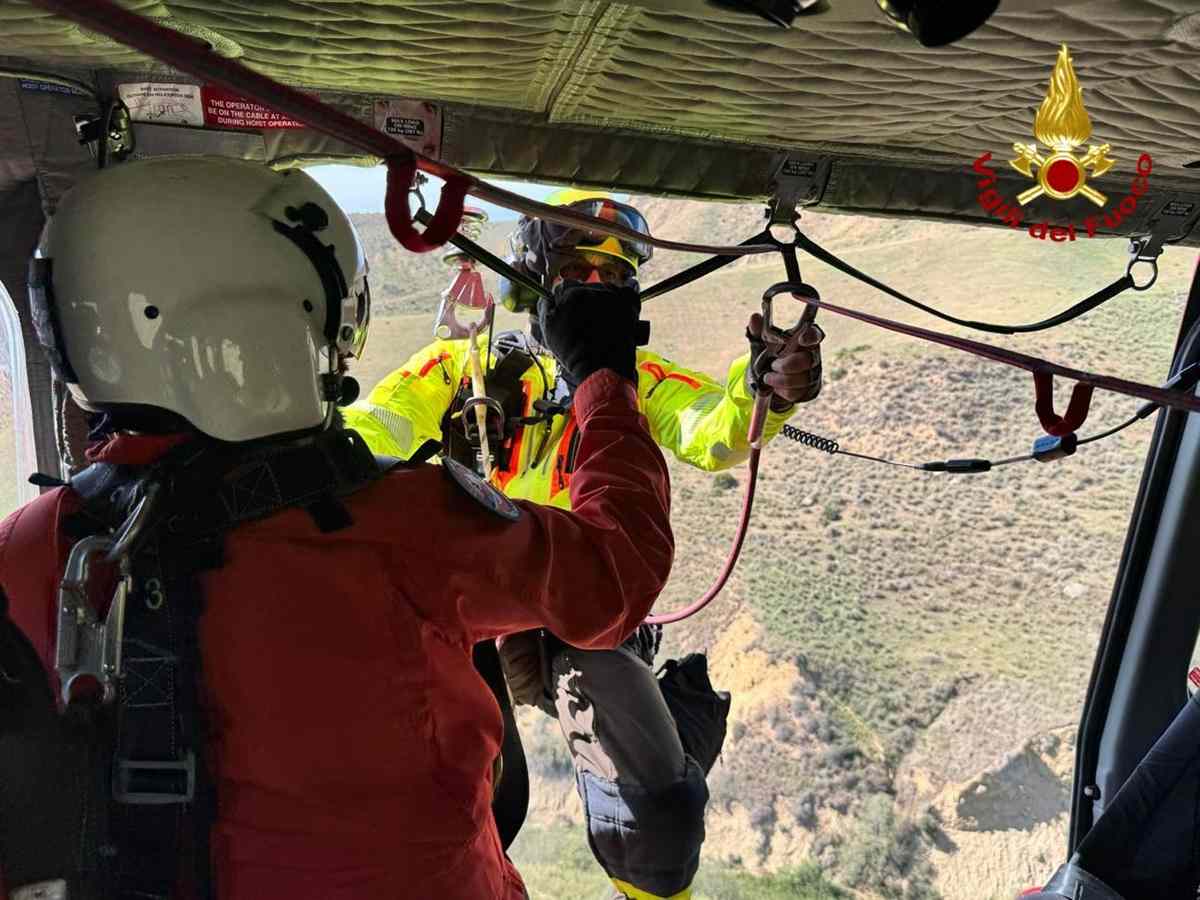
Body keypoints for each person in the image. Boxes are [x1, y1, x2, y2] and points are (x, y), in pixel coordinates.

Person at [0, 158, 674, 900]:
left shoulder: (27, 549)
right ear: (282, 318)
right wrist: (604, 382)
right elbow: (618, 576)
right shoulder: (404, 522)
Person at [343, 189, 825, 899]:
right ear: (532, 280)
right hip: (472, 608)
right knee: (477, 805)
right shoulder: (459, 368)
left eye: (615, 273)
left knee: (658, 820)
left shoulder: (634, 382)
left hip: (580, 608)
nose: (597, 286)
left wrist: (765, 391)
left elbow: (714, 430)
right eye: (576, 268)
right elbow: (378, 424)